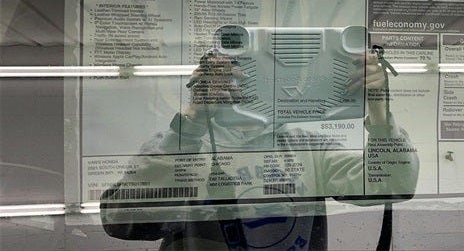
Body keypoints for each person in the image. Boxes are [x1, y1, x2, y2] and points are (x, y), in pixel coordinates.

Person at [101, 49, 419, 250]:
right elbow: (123, 222)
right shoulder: (184, 145)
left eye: (265, 73)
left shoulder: (308, 147)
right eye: (238, 71)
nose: (250, 83)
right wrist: (192, 119)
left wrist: (380, 114)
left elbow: (393, 184)